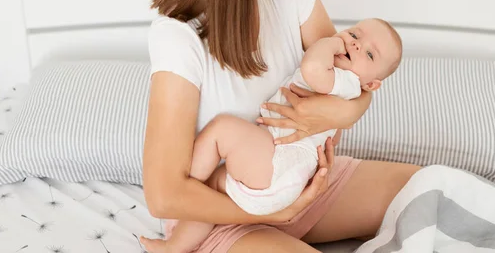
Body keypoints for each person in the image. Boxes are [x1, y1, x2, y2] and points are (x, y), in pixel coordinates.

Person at [141, 0, 420, 253]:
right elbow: (164, 195)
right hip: (224, 211)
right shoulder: (179, 38)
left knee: (435, 191)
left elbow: (354, 79)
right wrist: (269, 215)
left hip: (304, 179)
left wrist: (342, 114)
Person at [142, 19, 403, 253]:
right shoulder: (345, 87)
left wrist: (332, 42)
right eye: (354, 35)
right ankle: (176, 244)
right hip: (289, 176)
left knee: (221, 131)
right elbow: (331, 139)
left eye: (369, 54)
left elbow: (312, 67)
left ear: (371, 85)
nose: (356, 46)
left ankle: (189, 188)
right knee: (215, 186)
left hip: (280, 164)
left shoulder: (342, 79)